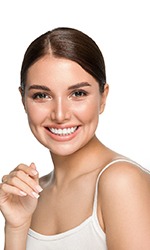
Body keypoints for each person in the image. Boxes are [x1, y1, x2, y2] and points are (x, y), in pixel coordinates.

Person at [0, 27, 150, 250]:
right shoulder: (32, 194)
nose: (60, 115)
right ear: (23, 100)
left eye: (78, 93)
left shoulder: (121, 182)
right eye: (41, 95)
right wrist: (16, 228)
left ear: (102, 97)